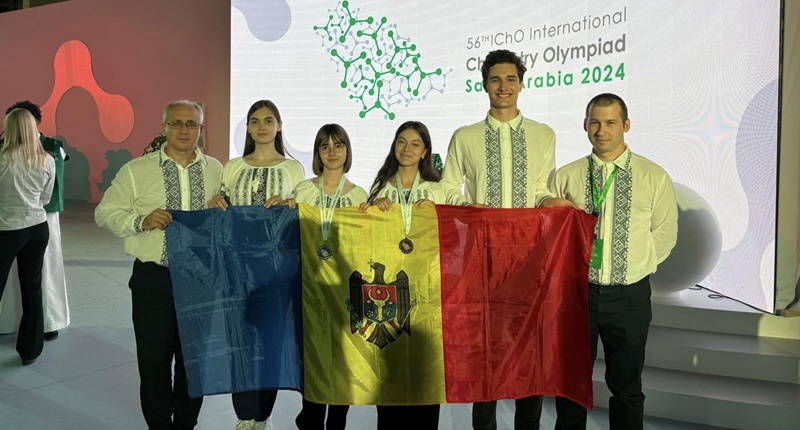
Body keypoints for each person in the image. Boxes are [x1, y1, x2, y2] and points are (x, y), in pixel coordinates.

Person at [440, 49, 574, 430]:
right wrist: (471, 206)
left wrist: (554, 201)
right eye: (496, 80)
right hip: (481, 258)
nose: (504, 87)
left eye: (511, 79)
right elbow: (448, 188)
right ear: (484, 84)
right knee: (486, 350)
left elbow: (540, 189)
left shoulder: (542, 134)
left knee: (530, 347)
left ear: (521, 83)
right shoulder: (464, 137)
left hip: (531, 257)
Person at [551, 93, 678, 430]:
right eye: (594, 122)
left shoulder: (653, 176)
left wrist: (635, 267)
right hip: (577, 296)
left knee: (627, 388)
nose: (601, 130)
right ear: (584, 125)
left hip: (629, 297)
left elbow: (664, 234)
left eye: (609, 122)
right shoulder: (567, 175)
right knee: (571, 385)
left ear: (626, 125)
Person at [95, 100, 223, 430]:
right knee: (153, 362)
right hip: (154, 280)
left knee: (193, 363)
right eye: (176, 123)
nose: (183, 129)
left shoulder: (216, 170)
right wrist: (141, 221)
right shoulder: (137, 171)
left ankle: (185, 424)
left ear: (201, 129)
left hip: (200, 279)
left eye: (191, 124)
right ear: (164, 127)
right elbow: (104, 212)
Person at [208, 99, 304, 430]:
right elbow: (220, 209)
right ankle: (242, 414)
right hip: (236, 268)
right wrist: (216, 202)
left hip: (275, 271)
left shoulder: (293, 169)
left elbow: (296, 217)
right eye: (254, 121)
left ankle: (261, 416)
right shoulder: (232, 167)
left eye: (268, 120)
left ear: (279, 126)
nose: (261, 126)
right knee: (239, 340)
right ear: (247, 128)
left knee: (269, 342)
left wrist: (291, 205)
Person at [360, 120, 444, 430]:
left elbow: (461, 228)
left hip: (428, 293)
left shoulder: (439, 189)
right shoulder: (381, 188)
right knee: (391, 372)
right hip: (391, 296)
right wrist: (369, 210)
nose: (407, 149)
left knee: (424, 371)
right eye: (401, 142)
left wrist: (439, 212)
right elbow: (365, 241)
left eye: (415, 144)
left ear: (425, 153)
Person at [286, 124, 366, 430]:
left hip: (345, 290)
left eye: (338, 145)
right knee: (316, 358)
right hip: (310, 287)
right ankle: (310, 417)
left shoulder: (359, 195)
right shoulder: (304, 190)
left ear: (347, 150)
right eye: (325, 146)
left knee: (343, 362)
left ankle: (337, 423)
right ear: (318, 153)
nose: (332, 152)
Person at [0, 100, 69, 341]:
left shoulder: (3, 157)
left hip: (8, 227)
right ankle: (30, 346)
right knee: (34, 286)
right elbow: (47, 195)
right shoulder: (47, 158)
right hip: (38, 224)